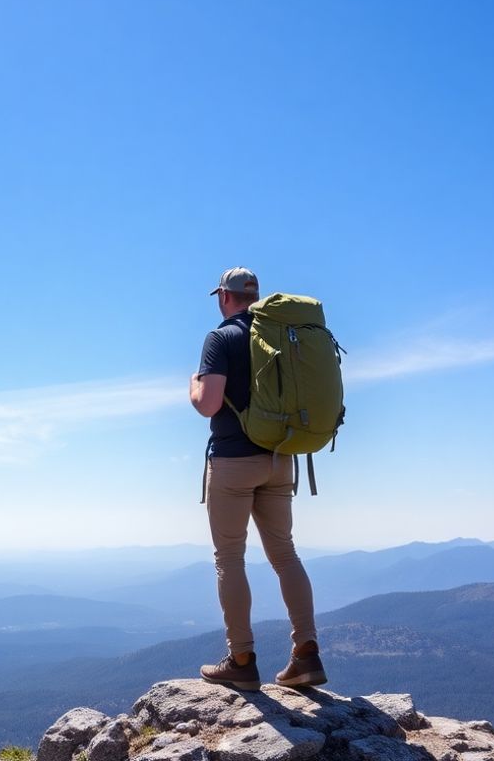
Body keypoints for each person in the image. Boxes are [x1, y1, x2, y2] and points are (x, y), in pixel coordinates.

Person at [188, 267, 327, 690]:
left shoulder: (222, 337)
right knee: (285, 555)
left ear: (224, 297)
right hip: (280, 458)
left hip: (233, 461)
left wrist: (193, 387)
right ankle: (307, 654)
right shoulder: (281, 336)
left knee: (229, 558)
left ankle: (242, 660)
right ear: (255, 297)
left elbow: (209, 404)